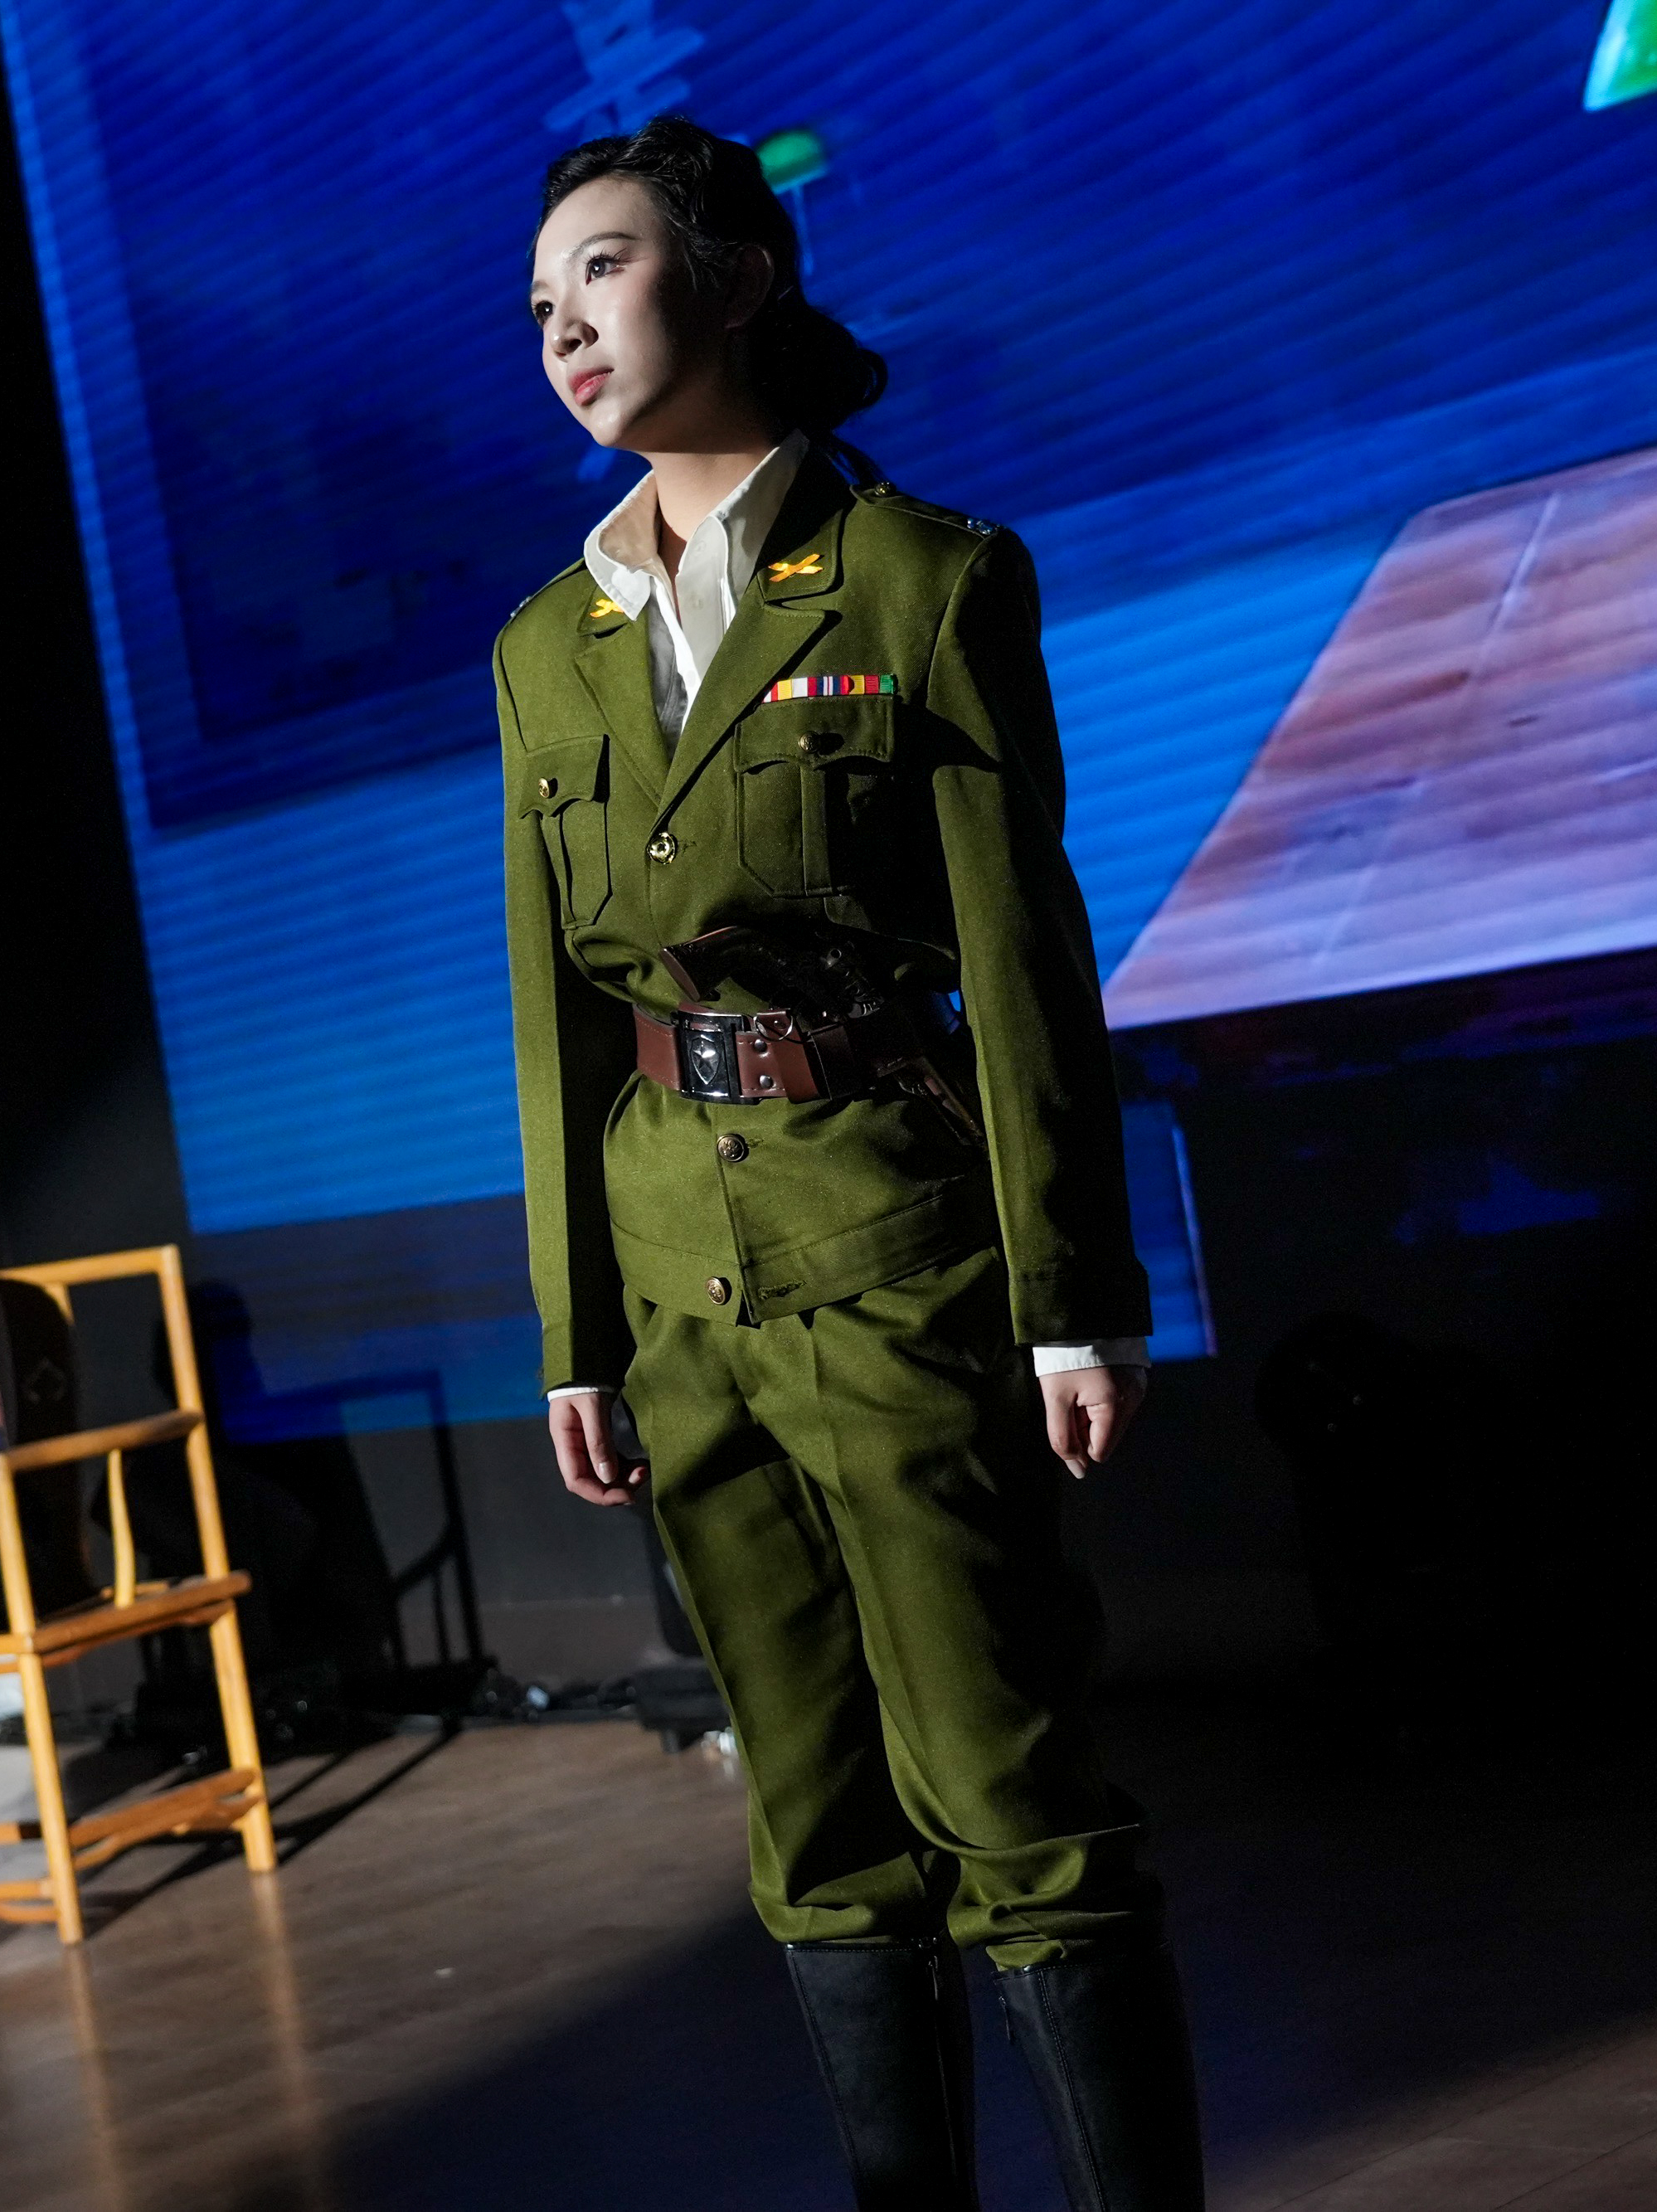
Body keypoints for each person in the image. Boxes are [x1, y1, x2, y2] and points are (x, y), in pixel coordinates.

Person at [502, 120, 1203, 2210]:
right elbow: (552, 1015)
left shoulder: (921, 579)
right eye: (536, 304)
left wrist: (1071, 1296)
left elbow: (1024, 963)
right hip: (674, 1275)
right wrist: (577, 1330)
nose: (560, 330)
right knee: (807, 1822)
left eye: (600, 272)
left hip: (891, 1241)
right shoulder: (546, 644)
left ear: (734, 279)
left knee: (1005, 1786)